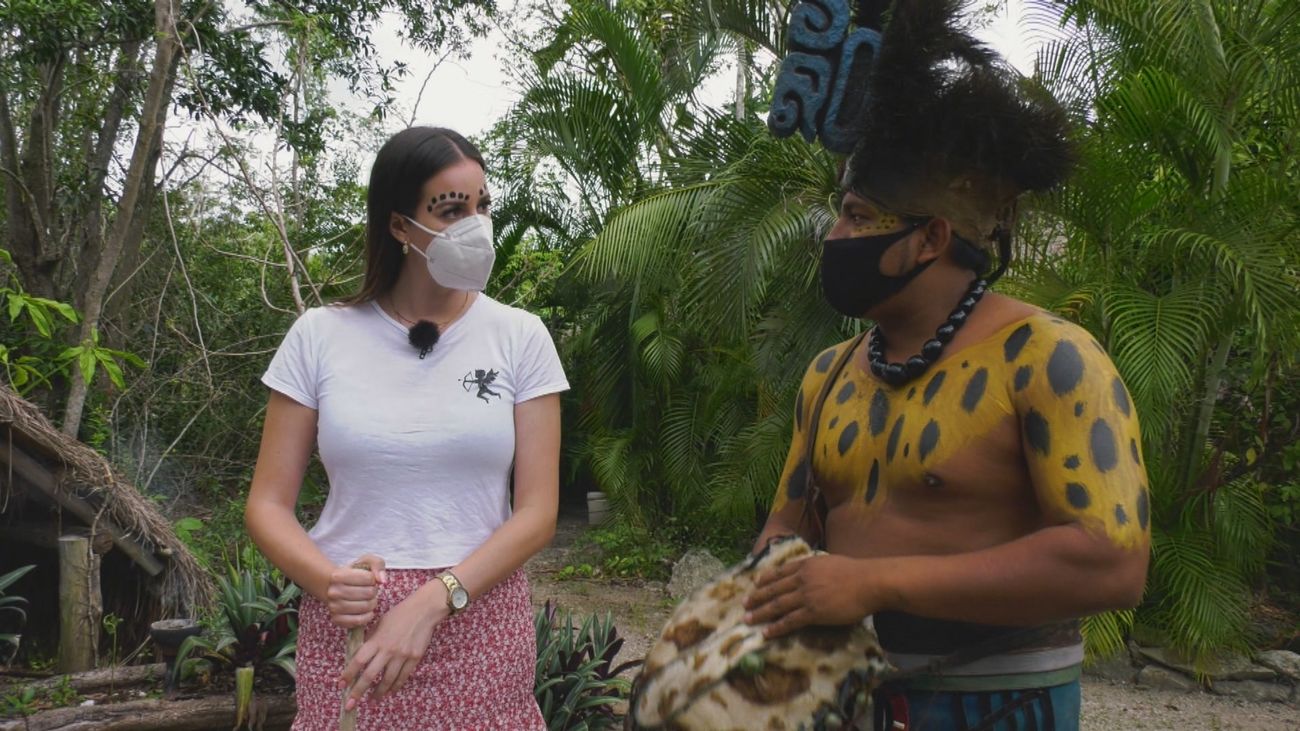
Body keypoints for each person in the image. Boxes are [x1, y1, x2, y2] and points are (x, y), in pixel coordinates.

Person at [745, 1, 1150, 728]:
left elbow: (1113, 562)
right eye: (841, 210)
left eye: (859, 216)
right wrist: (776, 570)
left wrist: (875, 582)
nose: (834, 235)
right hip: (847, 697)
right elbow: (790, 516)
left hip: (1002, 703)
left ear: (931, 236)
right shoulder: (830, 373)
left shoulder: (1050, 359)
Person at [245, 126, 567, 730]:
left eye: (481, 206)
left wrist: (432, 600)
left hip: (478, 618)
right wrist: (328, 582)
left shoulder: (521, 337)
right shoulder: (319, 337)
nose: (474, 224)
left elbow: (537, 513)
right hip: (351, 623)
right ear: (399, 226)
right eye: (450, 210)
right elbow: (266, 503)